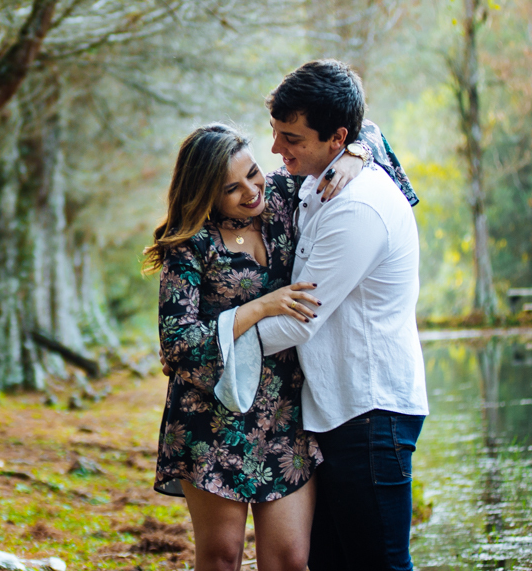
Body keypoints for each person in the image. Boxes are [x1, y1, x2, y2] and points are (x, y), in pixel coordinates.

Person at [144, 114, 414, 571]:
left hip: (287, 413)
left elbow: (364, 128)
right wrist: (258, 307)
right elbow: (177, 346)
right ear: (205, 194)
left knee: (290, 559)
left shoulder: (286, 197)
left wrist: (354, 155)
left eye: (252, 173)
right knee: (221, 556)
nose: (251, 190)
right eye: (232, 188)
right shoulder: (190, 246)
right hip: (212, 418)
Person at [235, 60, 427, 571]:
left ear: (338, 137)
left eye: (290, 137)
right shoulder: (319, 180)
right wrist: (360, 151)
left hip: (370, 411)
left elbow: (299, 320)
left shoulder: (357, 207)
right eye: (276, 133)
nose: (277, 149)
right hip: (336, 411)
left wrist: (220, 338)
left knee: (380, 563)